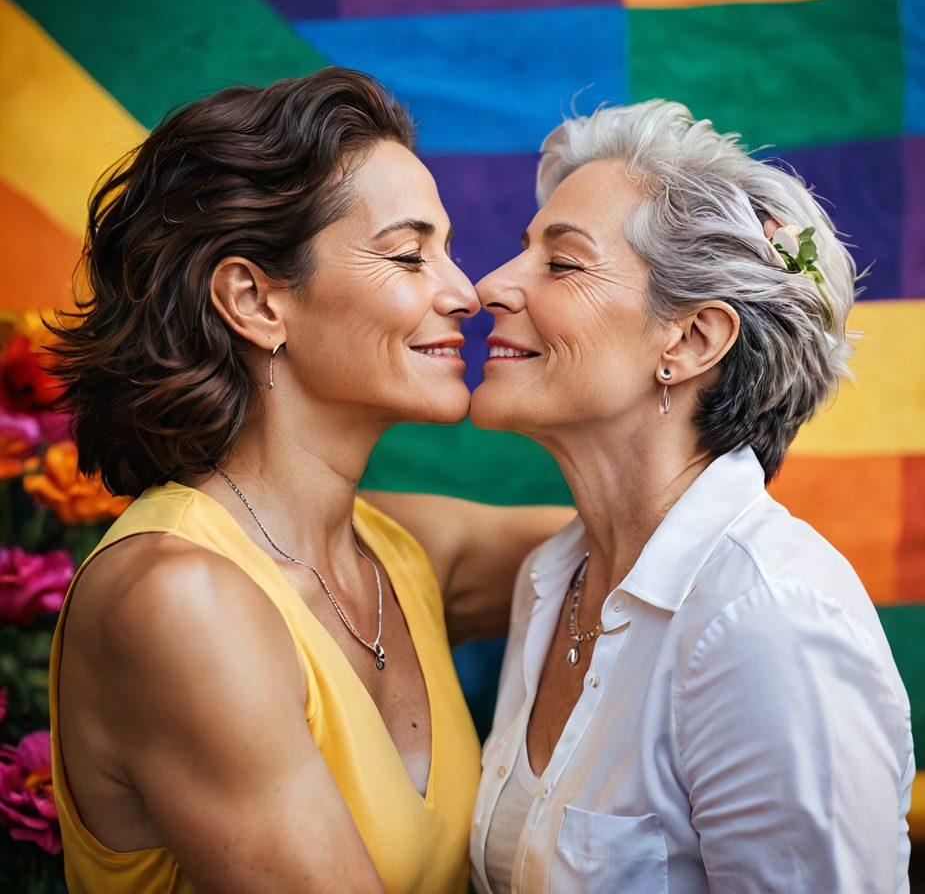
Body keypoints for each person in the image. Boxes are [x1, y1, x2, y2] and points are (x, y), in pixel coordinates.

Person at [45, 67, 572, 894]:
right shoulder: (178, 599)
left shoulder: (401, 552)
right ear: (255, 301)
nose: (466, 293)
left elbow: (655, 533)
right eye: (408, 254)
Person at [467, 100, 915, 893]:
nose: (491, 285)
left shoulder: (769, 620)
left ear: (691, 339)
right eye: (521, 251)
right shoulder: (550, 581)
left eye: (562, 263)